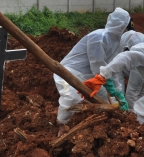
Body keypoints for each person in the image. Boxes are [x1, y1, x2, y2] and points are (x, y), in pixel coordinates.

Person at [54, 8, 131, 137]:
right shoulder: (98, 37)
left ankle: (106, 131)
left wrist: (118, 93)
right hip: (68, 73)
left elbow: (113, 68)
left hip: (92, 78)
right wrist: (110, 86)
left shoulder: (118, 43)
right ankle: (61, 125)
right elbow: (97, 65)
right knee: (72, 97)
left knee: (105, 103)